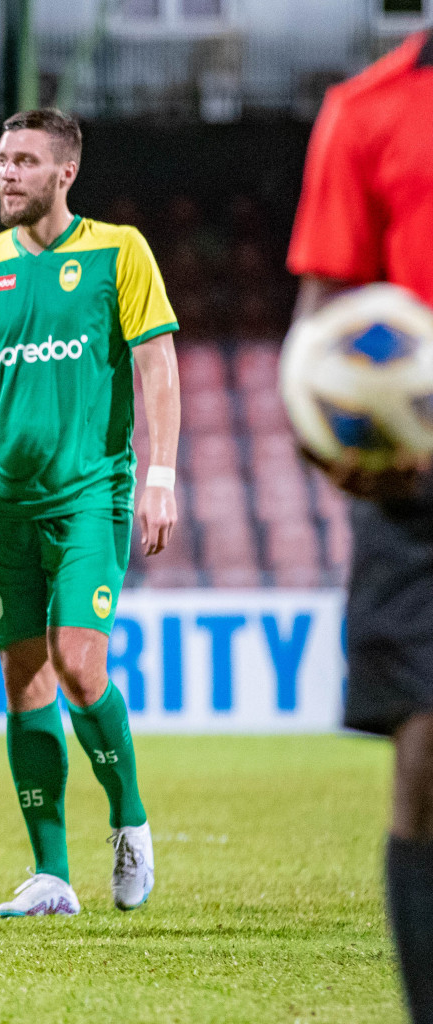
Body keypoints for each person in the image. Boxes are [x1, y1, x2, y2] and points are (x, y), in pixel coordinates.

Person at [0, 109, 181, 918]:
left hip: (88, 496)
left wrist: (162, 474)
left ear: (64, 173)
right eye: (2, 159)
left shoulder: (118, 250)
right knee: (22, 678)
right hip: (6, 503)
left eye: (25, 161)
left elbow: (157, 366)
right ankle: (51, 874)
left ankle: (130, 820)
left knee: (78, 662)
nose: (7, 173)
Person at [285, 29, 433, 1023]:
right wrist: (329, 430)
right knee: (426, 763)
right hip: (418, 491)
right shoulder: (367, 110)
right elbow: (323, 322)